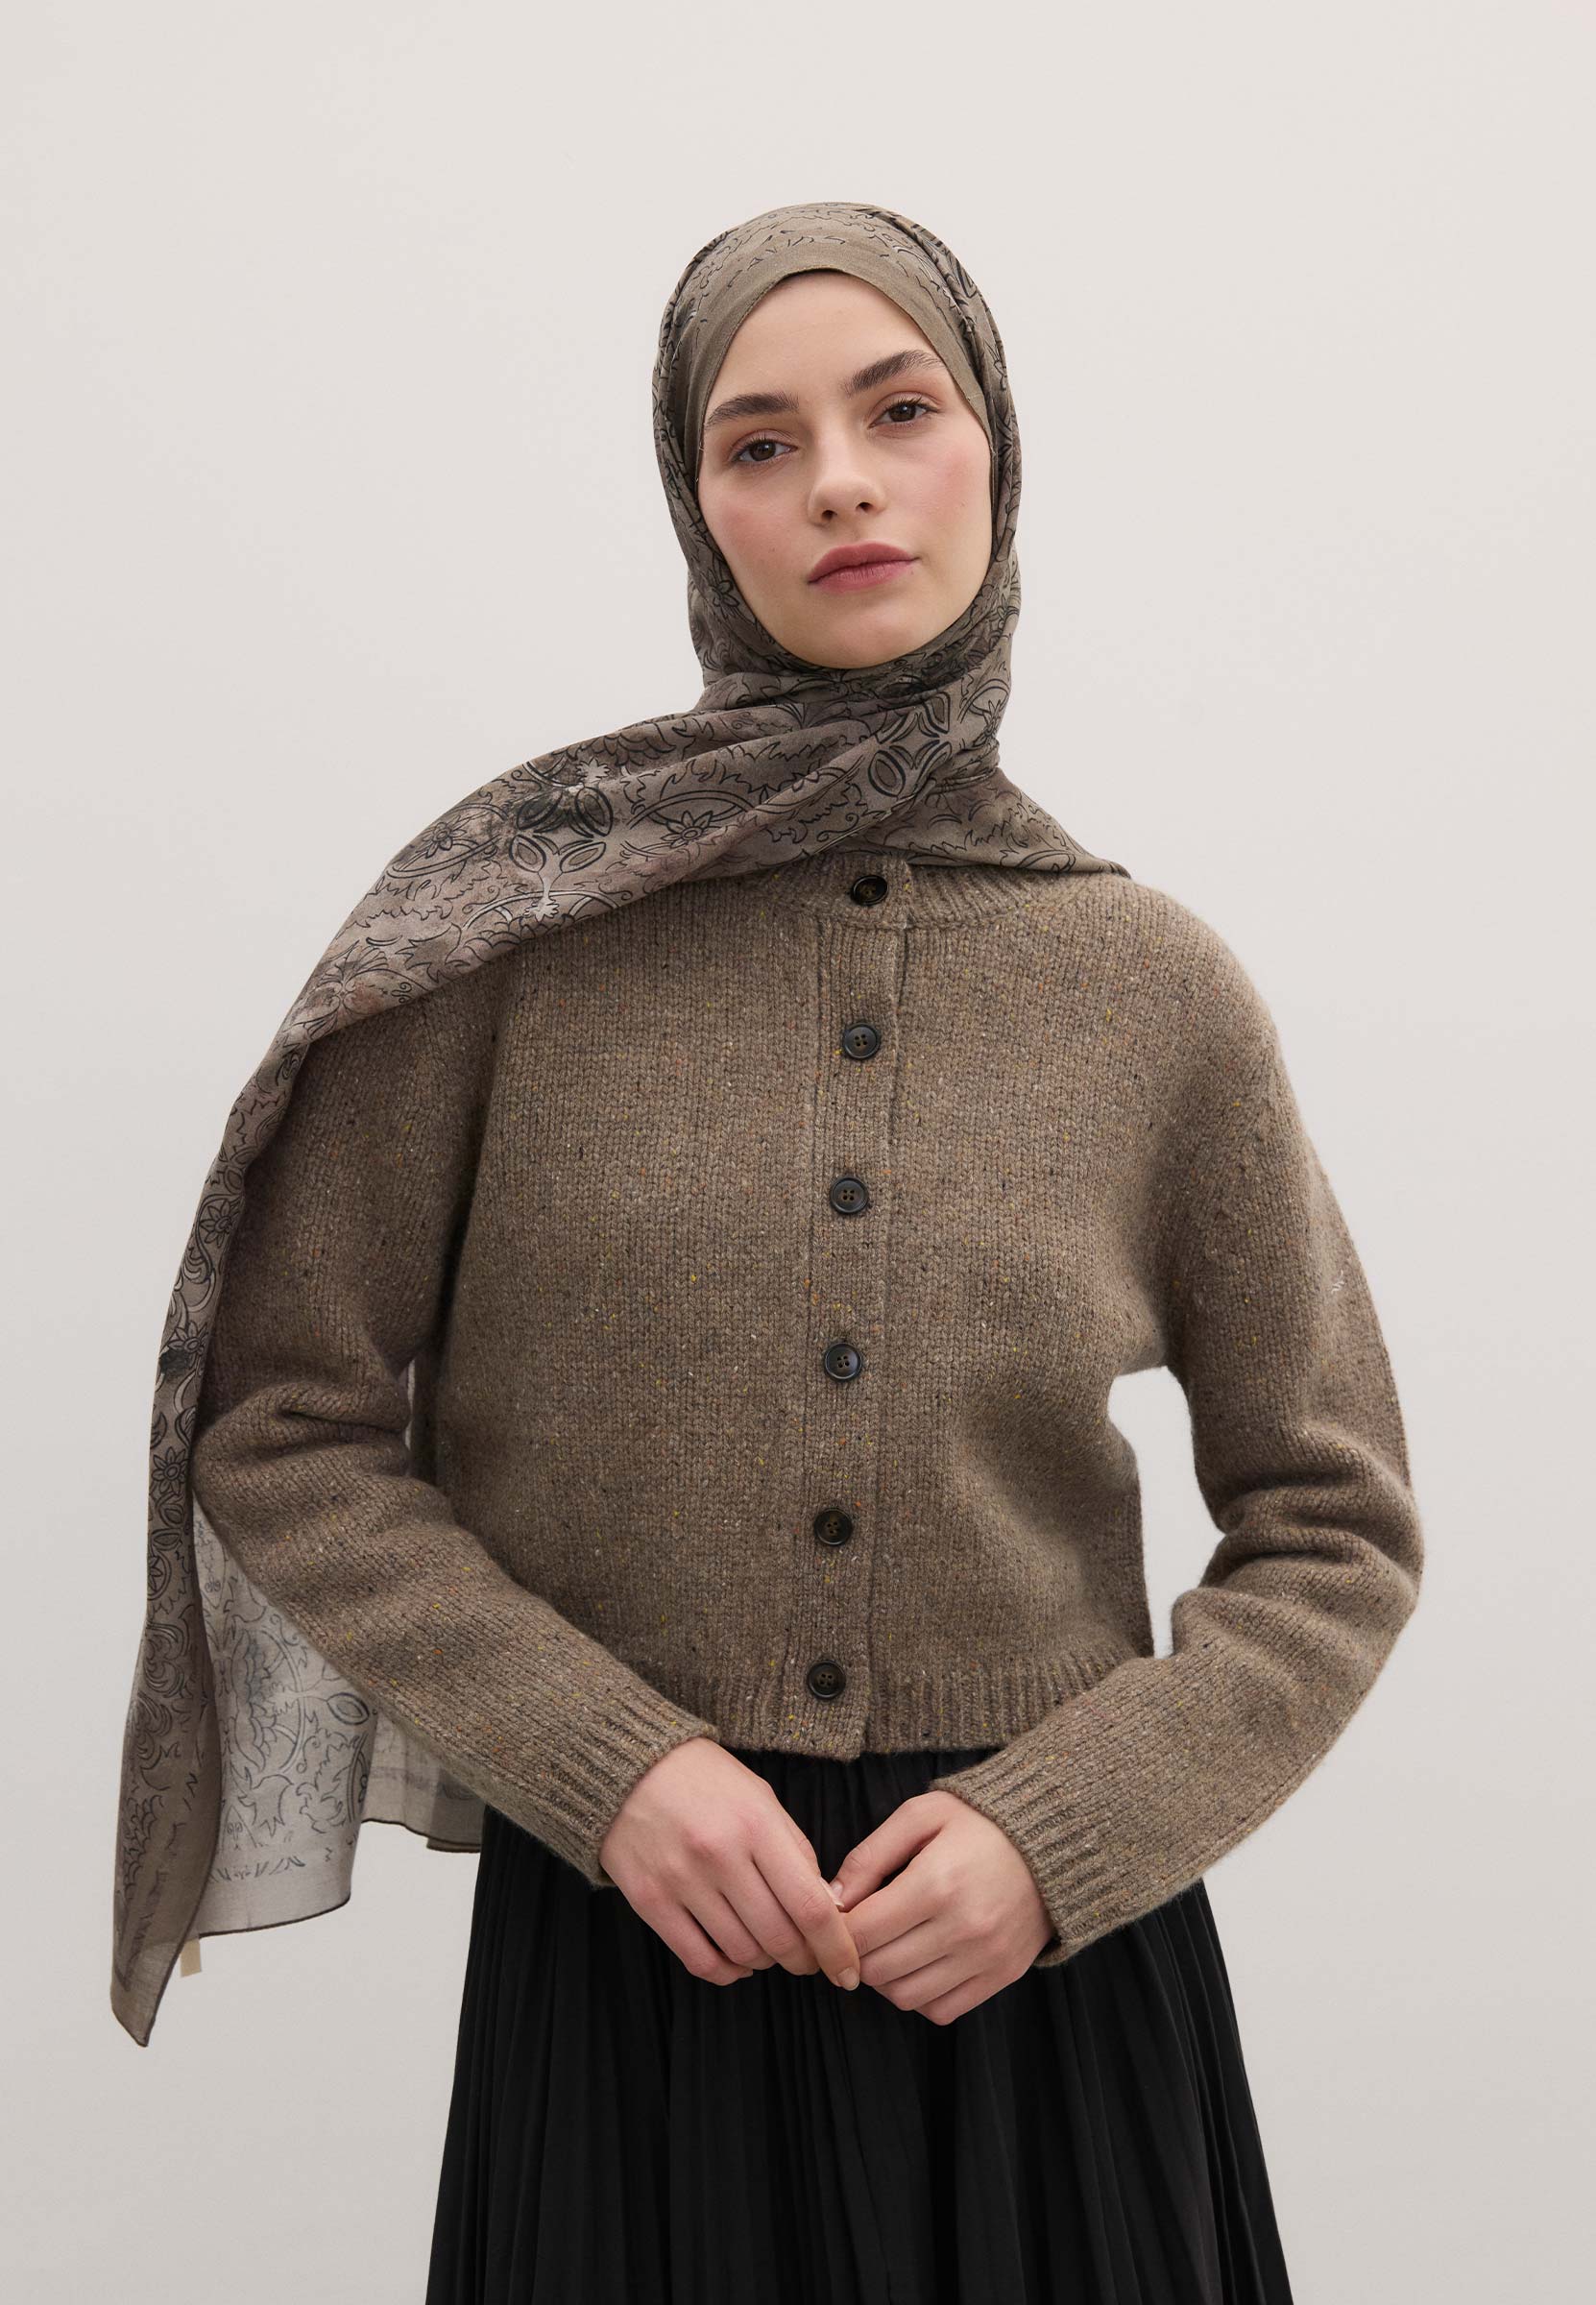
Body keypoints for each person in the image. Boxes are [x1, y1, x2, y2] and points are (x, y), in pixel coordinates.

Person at [115, 202, 1423, 2303]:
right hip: (636, 1968)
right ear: (693, 501)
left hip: (1049, 1989)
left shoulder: (1154, 989)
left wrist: (1063, 1832)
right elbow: (284, 1425)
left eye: (900, 411)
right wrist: (603, 1763)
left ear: (995, 449)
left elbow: (1335, 1527)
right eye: (759, 440)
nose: (838, 482)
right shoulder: (513, 936)